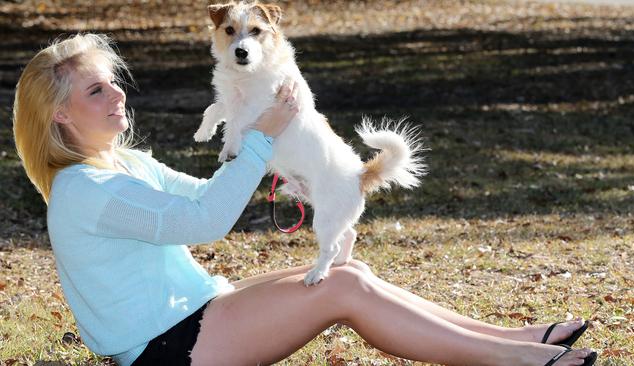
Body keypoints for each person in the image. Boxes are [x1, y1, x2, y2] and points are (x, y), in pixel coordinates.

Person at [12, 33, 597, 366]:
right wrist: (261, 134)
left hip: (198, 313)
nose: (117, 93)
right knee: (341, 288)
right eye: (96, 89)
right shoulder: (84, 190)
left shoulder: (125, 163)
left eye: (112, 80)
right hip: (168, 351)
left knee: (351, 268)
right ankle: (511, 363)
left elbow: (206, 196)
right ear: (60, 114)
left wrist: (293, 170)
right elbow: (208, 221)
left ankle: (515, 339)